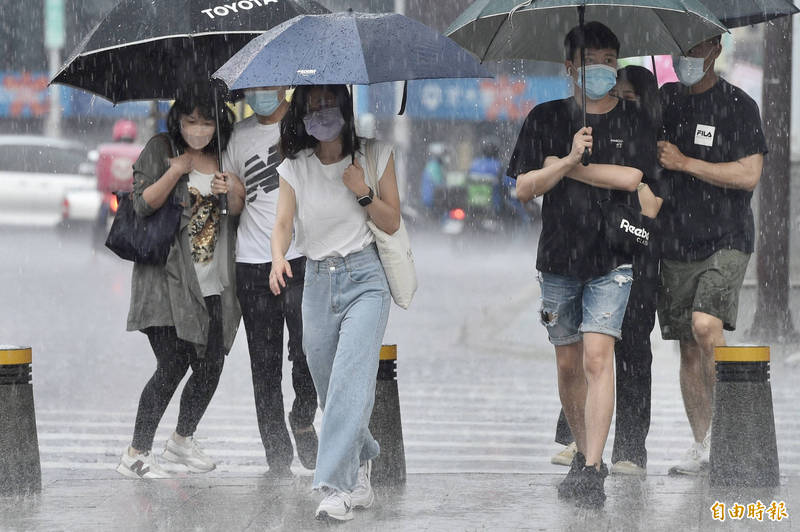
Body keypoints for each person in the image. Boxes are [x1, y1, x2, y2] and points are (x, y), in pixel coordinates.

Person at [507, 22, 656, 508]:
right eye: (594, 61)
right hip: (557, 260)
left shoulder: (634, 117)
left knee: (598, 356)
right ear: (570, 67)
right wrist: (568, 154)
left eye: (611, 60)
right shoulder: (545, 116)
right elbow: (524, 188)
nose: (604, 70)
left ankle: (593, 467)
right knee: (568, 362)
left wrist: (570, 167)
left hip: (612, 260)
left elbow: (632, 176)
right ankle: (579, 450)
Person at [270, 84, 400, 521]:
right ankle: (362, 462)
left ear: (345, 105)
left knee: (348, 383)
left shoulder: (375, 154)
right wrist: (276, 258)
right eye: (313, 104)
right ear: (303, 111)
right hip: (317, 283)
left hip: (366, 279)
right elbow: (283, 222)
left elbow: (392, 220)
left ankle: (335, 488)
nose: (322, 111)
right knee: (330, 388)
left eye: (329, 102)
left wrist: (363, 190)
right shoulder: (296, 167)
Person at [116, 92, 241, 479]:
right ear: (179, 120)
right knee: (172, 364)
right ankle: (136, 453)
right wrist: (176, 170)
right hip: (167, 282)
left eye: (206, 121)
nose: (199, 129)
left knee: (212, 364)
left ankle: (182, 440)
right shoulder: (160, 147)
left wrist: (230, 191)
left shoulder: (224, 152)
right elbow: (141, 204)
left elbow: (235, 210)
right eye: (191, 120)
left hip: (212, 283)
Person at [657, 35, 767, 475]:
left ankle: (732, 437)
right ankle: (704, 447)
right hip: (675, 241)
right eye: (679, 48)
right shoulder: (663, 101)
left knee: (706, 327)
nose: (686, 57)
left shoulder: (739, 105)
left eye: (696, 47)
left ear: (716, 49)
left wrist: (686, 163)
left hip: (727, 237)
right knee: (687, 347)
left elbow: (749, 174)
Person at [551, 65, 664, 476]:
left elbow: (651, 203)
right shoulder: (593, 134)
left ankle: (631, 448)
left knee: (631, 348)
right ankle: (576, 439)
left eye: (630, 96)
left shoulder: (649, 140)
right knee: (584, 352)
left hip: (637, 259)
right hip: (593, 254)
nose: (620, 101)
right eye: (618, 93)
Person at [223, 86, 318, 478]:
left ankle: (302, 416)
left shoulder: (303, 128)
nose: (262, 93)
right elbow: (234, 206)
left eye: (269, 84)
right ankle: (277, 458)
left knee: (308, 352)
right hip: (252, 265)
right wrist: (232, 193)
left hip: (298, 257)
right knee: (264, 368)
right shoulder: (237, 138)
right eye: (254, 86)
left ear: (283, 86)